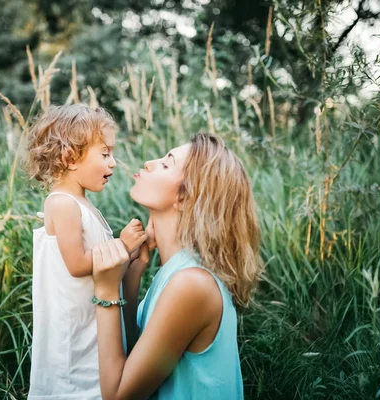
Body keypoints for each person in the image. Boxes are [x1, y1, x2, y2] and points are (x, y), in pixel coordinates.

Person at [91, 133, 264, 399]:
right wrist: (130, 276)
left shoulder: (192, 284)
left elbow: (117, 395)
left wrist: (105, 290)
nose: (149, 162)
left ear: (185, 198)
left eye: (166, 164)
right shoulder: (177, 271)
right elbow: (134, 357)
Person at [24, 104, 147, 400]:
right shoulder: (61, 203)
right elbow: (77, 264)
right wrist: (123, 245)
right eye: (105, 154)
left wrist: (131, 255)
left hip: (91, 319)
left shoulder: (83, 204)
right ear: (69, 158)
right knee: (73, 384)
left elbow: (100, 261)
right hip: (72, 328)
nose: (114, 163)